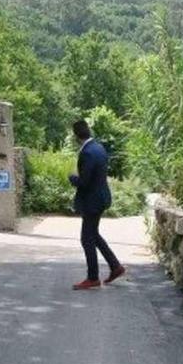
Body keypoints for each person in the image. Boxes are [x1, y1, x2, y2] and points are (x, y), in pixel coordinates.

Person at [68, 120, 126, 290]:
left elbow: (84, 182)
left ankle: (93, 277)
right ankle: (115, 266)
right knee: (94, 234)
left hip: (92, 201)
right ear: (88, 131)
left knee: (86, 238)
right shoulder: (99, 147)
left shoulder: (87, 152)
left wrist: (72, 178)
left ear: (76, 136)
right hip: (100, 198)